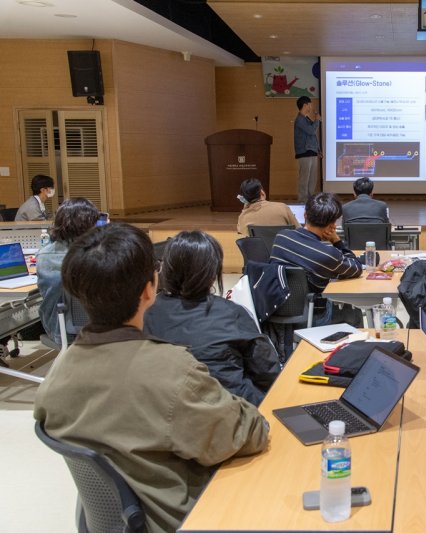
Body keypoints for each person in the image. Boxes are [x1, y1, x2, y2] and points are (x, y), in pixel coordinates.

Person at [34, 223, 269, 533]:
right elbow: (249, 434)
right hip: (187, 518)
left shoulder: (53, 381)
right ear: (149, 289)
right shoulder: (172, 371)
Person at [144, 231, 282, 407]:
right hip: (230, 411)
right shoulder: (233, 314)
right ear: (212, 273)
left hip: (163, 410)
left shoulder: (145, 312)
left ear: (167, 269)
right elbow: (267, 372)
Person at [271, 192, 362, 325]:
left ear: (305, 215)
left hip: (275, 311)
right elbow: (356, 268)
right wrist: (336, 241)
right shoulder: (328, 255)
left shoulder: (281, 237)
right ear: (332, 225)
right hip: (314, 317)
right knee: (354, 311)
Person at [36, 198, 99, 342]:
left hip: (56, 328)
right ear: (87, 225)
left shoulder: (44, 255)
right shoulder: (91, 256)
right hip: (88, 331)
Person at [294, 96, 322, 203]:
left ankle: (309, 200)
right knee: (304, 179)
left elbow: (313, 137)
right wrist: (317, 120)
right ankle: (302, 200)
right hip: (304, 152)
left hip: (311, 151)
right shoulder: (300, 119)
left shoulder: (306, 118)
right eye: (309, 104)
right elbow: (311, 131)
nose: (311, 106)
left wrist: (318, 150)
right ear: (305, 105)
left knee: (312, 179)